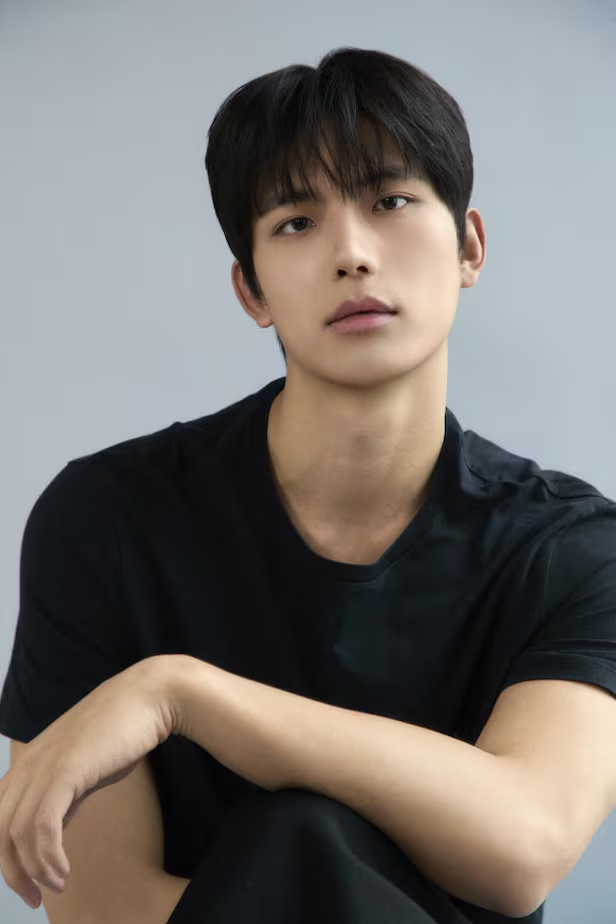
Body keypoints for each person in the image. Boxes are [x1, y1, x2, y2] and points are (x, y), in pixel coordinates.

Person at [1, 46, 616, 924]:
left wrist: (180, 695)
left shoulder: (576, 550)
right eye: (296, 222)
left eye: (390, 201)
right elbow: (101, 904)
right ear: (251, 291)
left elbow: (525, 848)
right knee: (298, 844)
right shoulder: (105, 521)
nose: (353, 254)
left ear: (469, 246)